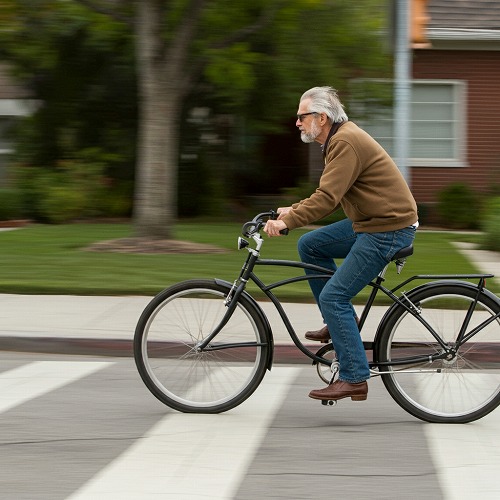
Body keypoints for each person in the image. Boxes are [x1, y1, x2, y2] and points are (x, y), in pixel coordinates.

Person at [264, 86, 418, 403]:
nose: (296, 123)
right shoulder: (338, 139)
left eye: (301, 116)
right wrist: (293, 210)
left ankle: (354, 377)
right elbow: (331, 195)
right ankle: (336, 325)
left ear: (321, 117)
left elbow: (327, 198)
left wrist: (287, 221)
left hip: (387, 229)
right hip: (372, 221)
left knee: (335, 296)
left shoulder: (345, 141)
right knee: (311, 245)